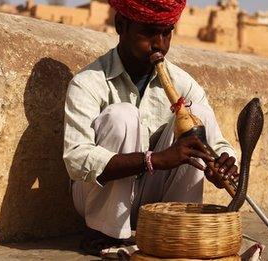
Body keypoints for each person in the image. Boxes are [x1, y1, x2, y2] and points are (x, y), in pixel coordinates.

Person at [63, 0, 238, 255]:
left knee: (198, 114)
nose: (159, 44)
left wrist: (223, 162)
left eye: (167, 32)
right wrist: (153, 159)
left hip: (154, 199)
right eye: (148, 32)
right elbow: (76, 159)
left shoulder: (183, 83)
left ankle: (176, 228)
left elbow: (219, 143)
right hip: (98, 199)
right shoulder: (88, 82)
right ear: (121, 25)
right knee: (123, 114)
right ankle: (105, 235)